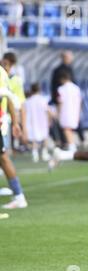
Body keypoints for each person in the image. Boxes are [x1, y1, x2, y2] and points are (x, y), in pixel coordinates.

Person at [0, 63, 27, 208]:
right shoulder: (3, 73)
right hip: (2, 120)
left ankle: (19, 196)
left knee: (3, 158)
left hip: (1, 120)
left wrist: (16, 122)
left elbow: (6, 96)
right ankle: (18, 195)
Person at [56, 71, 82, 154]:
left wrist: (58, 113)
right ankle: (72, 145)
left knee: (66, 129)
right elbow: (80, 101)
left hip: (65, 111)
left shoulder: (61, 89)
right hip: (75, 111)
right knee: (69, 129)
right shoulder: (76, 88)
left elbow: (60, 102)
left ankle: (72, 146)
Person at [24, 83, 50, 163]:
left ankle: (35, 154)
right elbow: (48, 111)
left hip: (33, 122)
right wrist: (49, 120)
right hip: (42, 121)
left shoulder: (28, 101)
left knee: (34, 139)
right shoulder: (43, 99)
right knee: (45, 138)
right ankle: (44, 153)